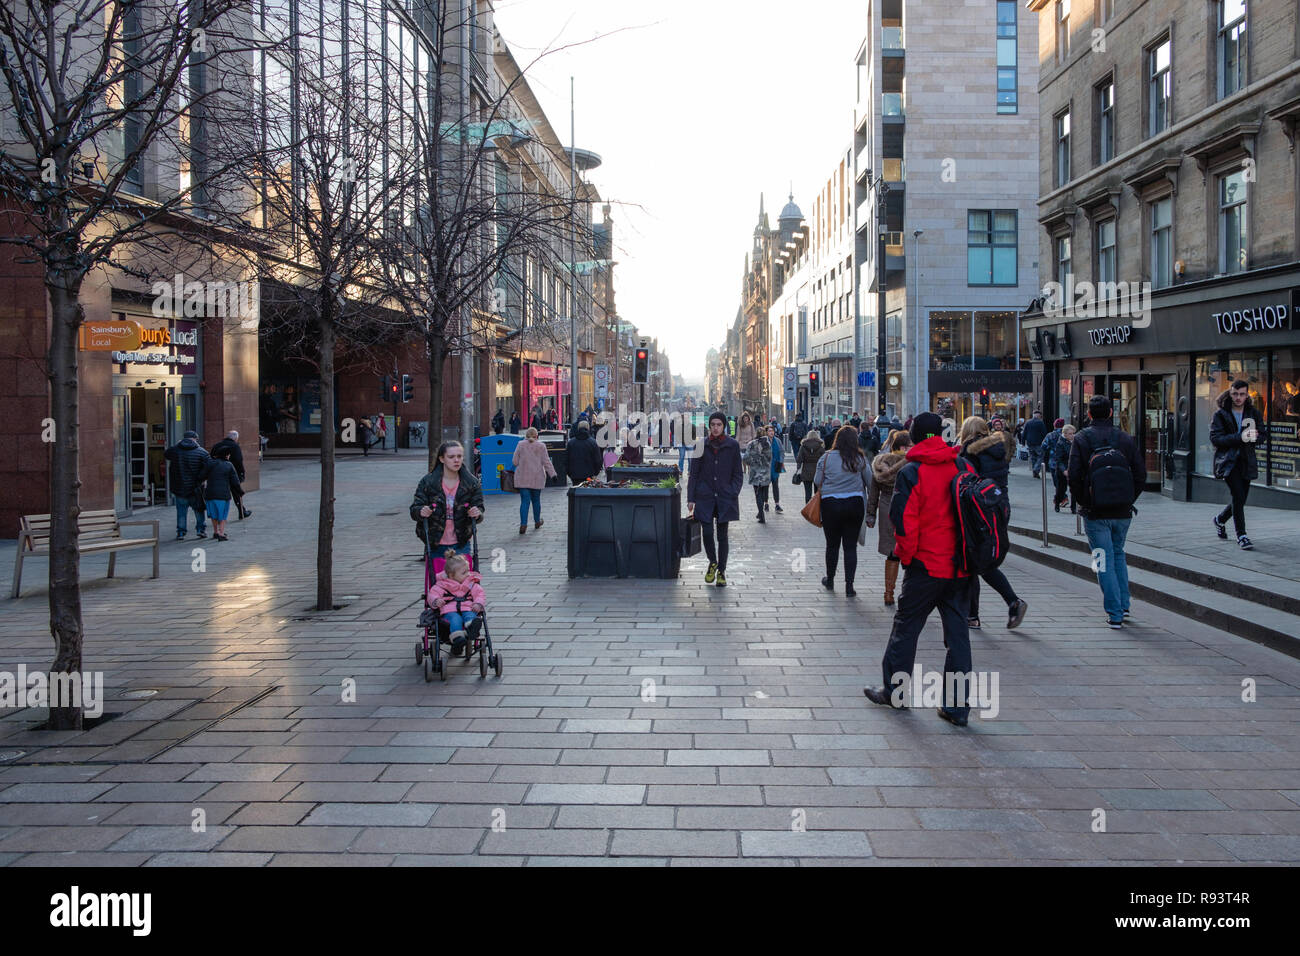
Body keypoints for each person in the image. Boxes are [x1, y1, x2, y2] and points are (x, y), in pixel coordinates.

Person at [863, 413, 976, 727]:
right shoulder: (962, 466)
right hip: (959, 567)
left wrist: (908, 558)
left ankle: (895, 693)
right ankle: (957, 707)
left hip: (926, 565)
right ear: (939, 434)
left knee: (907, 628)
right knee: (958, 637)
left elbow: (904, 521)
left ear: (913, 436)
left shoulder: (913, 472)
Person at [1068, 394, 1146, 629]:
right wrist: (1129, 498)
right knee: (1119, 553)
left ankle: (1114, 613)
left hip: (1095, 511)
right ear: (1111, 413)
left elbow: (1073, 475)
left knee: (1101, 559)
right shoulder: (1124, 437)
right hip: (1122, 511)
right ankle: (1123, 604)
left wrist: (1084, 501)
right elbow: (1140, 473)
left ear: (1089, 414)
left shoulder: (1081, 438)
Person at [958, 416, 1028, 630]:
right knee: (979, 560)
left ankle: (978, 613)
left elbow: (964, 478)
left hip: (978, 508)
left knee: (975, 561)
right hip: (999, 504)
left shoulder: (970, 450)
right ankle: (980, 612)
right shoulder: (999, 447)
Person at [688, 412, 744, 587]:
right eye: (713, 424)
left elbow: (738, 473)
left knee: (722, 536)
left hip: (725, 497)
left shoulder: (732, 445)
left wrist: (732, 491)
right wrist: (691, 498)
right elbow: (693, 474)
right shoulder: (701, 445)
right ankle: (712, 562)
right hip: (705, 497)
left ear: (724, 426)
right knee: (707, 533)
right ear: (709, 426)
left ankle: (722, 571)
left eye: (719, 424)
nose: (715, 427)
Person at [814, 426, 869, 596]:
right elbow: (870, 481)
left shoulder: (826, 457)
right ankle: (849, 587)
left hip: (831, 505)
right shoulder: (859, 458)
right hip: (854, 504)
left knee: (832, 545)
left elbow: (817, 480)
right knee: (850, 547)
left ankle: (830, 579)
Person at [411, 440, 486, 560]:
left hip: (461, 541)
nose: (456, 460)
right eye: (451, 457)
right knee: (438, 578)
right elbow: (415, 508)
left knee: (461, 577)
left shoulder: (471, 483)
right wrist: (421, 511)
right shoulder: (428, 482)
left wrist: (477, 513)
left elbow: (480, 508)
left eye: (459, 456)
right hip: (435, 542)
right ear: (442, 459)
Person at [1210, 379, 1262, 551]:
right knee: (1238, 496)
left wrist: (1256, 436)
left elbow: (1263, 435)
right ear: (1230, 393)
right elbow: (1216, 439)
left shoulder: (1253, 413)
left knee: (1240, 499)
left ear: (1247, 395)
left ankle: (1220, 519)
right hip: (1228, 462)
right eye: (1235, 394)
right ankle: (1242, 535)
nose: (1238, 398)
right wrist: (1240, 437)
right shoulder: (1220, 415)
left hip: (1247, 461)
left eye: (1242, 394)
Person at [865, 430, 912, 606]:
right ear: (902, 447)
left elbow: (873, 493)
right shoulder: (913, 464)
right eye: (910, 446)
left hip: (886, 508)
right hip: (908, 508)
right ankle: (909, 594)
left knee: (892, 553)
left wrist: (870, 515)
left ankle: (888, 593)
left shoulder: (880, 463)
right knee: (911, 552)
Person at [427, 552, 486, 654]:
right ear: (451, 575)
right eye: (464, 573)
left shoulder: (471, 583)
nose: (468, 574)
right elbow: (433, 594)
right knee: (455, 619)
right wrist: (436, 601)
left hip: (467, 607)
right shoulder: (442, 585)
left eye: (468, 571)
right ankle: (458, 639)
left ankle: (471, 629)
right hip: (450, 610)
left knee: (470, 615)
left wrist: (478, 603)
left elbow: (480, 594)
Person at [164, 430, 210, 541]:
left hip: (179, 488)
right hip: (195, 488)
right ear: (195, 439)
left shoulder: (175, 450)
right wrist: (202, 479)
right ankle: (201, 530)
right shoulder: (202, 452)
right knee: (198, 510)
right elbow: (208, 467)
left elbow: (166, 454)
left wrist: (177, 444)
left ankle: (181, 532)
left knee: (181, 512)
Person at [512, 427, 557, 533]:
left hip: (523, 478)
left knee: (524, 502)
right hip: (537, 478)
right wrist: (553, 475)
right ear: (537, 436)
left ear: (526, 436)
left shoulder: (520, 444)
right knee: (536, 501)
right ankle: (537, 521)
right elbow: (546, 462)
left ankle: (523, 525)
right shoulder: (541, 446)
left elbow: (514, 462)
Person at [198, 449, 242, 542]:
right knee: (222, 515)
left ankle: (216, 532)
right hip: (223, 494)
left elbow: (201, 476)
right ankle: (221, 533)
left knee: (213, 514)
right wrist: (240, 491)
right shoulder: (229, 465)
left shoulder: (210, 463)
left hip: (210, 493)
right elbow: (235, 481)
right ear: (226, 456)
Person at [211, 430, 251, 519]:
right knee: (236, 493)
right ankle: (241, 511)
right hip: (232, 473)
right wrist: (241, 473)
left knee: (219, 494)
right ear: (236, 438)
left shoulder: (217, 445)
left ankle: (219, 514)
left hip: (217, 473)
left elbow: (211, 458)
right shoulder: (235, 446)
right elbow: (238, 461)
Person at [741, 427, 773, 522]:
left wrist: (753, 463)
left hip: (755, 472)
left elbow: (745, 458)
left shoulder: (751, 444)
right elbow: (770, 457)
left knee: (757, 493)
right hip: (765, 472)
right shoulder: (768, 444)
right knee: (763, 492)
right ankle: (761, 512)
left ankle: (761, 513)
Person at [795, 426, 825, 504]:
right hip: (817, 472)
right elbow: (824, 459)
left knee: (807, 493)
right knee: (817, 493)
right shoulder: (821, 446)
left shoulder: (803, 446)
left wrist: (798, 468)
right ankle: (816, 510)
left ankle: (808, 511)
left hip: (806, 472)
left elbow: (799, 459)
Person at [1050, 425, 1076, 512]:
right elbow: (1059, 459)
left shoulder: (1075, 442)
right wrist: (1064, 470)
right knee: (1061, 489)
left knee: (1074, 489)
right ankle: (1057, 503)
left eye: (1073, 433)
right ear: (1064, 434)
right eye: (1070, 434)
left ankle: (1073, 507)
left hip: (1073, 468)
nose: (1072, 435)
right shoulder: (1060, 443)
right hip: (1062, 469)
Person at [1040, 418, 1065, 504]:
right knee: (1063, 481)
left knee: (1056, 481)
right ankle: (1062, 497)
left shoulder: (1050, 435)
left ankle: (1062, 497)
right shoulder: (1067, 434)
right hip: (1065, 462)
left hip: (1053, 461)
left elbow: (1043, 446)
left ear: (1054, 425)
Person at [765, 424, 785, 513]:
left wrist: (780, 461)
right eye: (769, 431)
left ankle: (777, 504)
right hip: (766, 466)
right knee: (765, 486)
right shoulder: (764, 441)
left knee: (775, 486)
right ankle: (766, 503)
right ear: (766, 432)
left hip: (776, 466)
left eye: (772, 431)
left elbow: (781, 451)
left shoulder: (778, 441)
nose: (771, 432)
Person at [1024, 410, 1048, 477]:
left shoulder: (1028, 422)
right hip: (1038, 443)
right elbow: (1044, 433)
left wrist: (1023, 442)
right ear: (1039, 416)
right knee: (1040, 456)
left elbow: (1024, 433)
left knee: (1033, 457)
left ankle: (1035, 471)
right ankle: (1036, 469)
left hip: (1030, 443)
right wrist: (1046, 441)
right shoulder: (1040, 423)